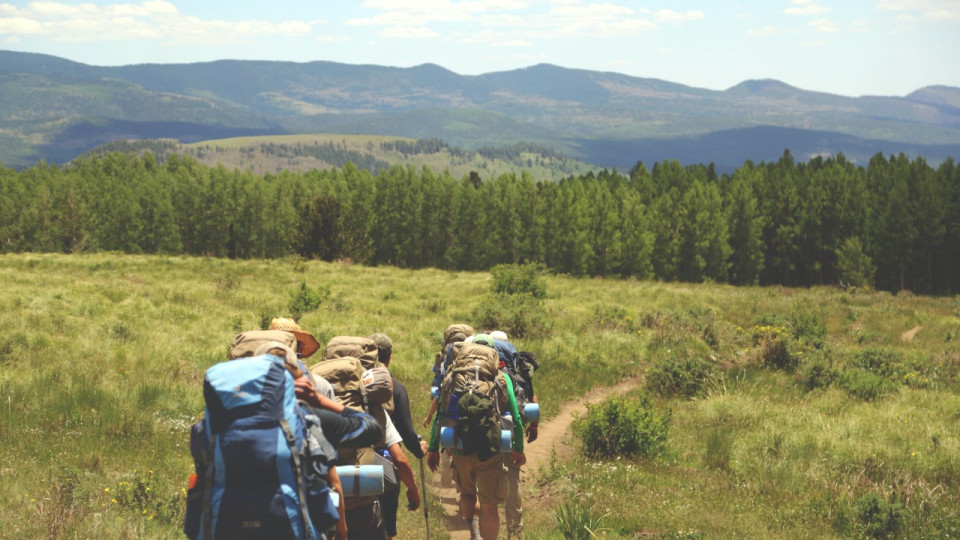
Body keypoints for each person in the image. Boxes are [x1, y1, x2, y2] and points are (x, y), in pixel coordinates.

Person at [427, 334, 525, 540]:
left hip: (459, 447)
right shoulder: (501, 377)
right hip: (489, 449)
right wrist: (518, 448)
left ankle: (474, 532)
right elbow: (515, 417)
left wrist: (434, 448)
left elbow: (440, 415)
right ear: (493, 354)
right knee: (489, 506)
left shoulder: (453, 375)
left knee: (467, 494)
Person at [369, 333, 429, 540]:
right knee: (386, 530)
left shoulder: (351, 386)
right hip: (385, 465)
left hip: (347, 462)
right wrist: (418, 450)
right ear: (389, 357)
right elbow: (405, 430)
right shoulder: (395, 387)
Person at [490, 330, 539, 540]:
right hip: (509, 430)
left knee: (485, 483)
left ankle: (484, 530)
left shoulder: (481, 369)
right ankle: (515, 531)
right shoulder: (516, 368)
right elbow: (532, 400)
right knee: (512, 479)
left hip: (485, 433)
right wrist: (534, 426)